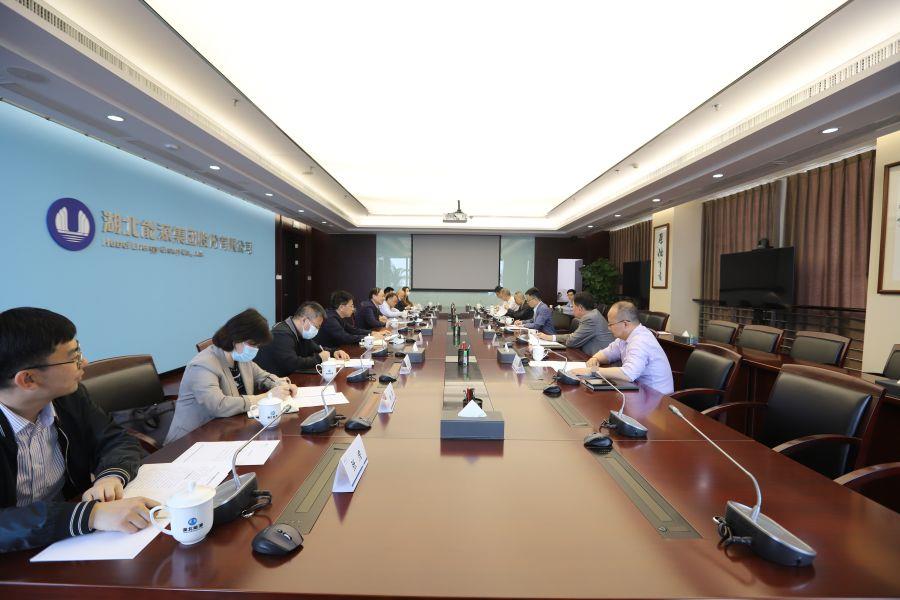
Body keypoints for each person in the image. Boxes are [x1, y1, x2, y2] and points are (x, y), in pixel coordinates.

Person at [0, 307, 158, 553]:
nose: (84, 362)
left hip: (69, 541)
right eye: (73, 357)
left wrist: (110, 476)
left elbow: (115, 439)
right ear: (28, 379)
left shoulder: (68, 397)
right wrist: (91, 515)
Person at [165, 309, 297, 444]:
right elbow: (219, 406)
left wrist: (280, 384)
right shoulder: (202, 365)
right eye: (253, 344)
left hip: (227, 430)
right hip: (190, 440)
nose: (255, 349)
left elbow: (262, 377)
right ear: (237, 338)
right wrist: (266, 397)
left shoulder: (240, 358)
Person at [573, 301, 673, 394]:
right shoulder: (624, 337)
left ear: (625, 324)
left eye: (611, 324)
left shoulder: (641, 340)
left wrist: (592, 371)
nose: (608, 328)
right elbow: (607, 353)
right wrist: (595, 358)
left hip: (657, 397)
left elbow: (628, 374)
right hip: (638, 390)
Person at [254, 302, 351, 377]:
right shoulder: (281, 334)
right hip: (270, 386)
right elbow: (293, 363)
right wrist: (319, 358)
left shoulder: (300, 333)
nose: (317, 330)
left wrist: (334, 352)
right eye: (316, 326)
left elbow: (317, 348)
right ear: (304, 320)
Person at [537, 292, 613, 356]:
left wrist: (550, 337)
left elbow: (571, 342)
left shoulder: (590, 319)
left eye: (573, 306)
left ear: (580, 308)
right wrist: (550, 337)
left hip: (602, 362)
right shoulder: (593, 315)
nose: (572, 309)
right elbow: (574, 336)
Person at [316, 290, 387, 348]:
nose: (353, 309)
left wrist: (372, 333)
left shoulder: (337, 316)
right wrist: (369, 337)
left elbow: (353, 330)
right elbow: (345, 337)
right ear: (341, 307)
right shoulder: (330, 319)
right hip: (329, 354)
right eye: (351, 306)